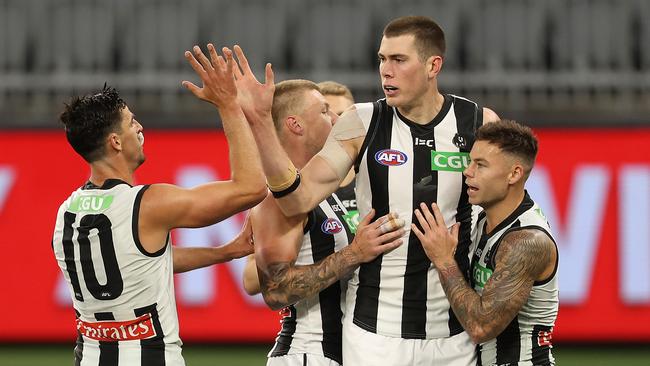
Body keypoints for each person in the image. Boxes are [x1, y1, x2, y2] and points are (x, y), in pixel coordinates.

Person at [233, 15, 499, 365]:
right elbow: (297, 197)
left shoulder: (479, 123)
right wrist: (260, 124)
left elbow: (505, 206)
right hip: (373, 333)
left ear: (434, 65)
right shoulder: (361, 121)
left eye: (398, 60)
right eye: (381, 59)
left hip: (452, 334)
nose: (385, 70)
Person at [51, 44, 266, 365]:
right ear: (116, 142)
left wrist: (225, 252)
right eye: (131, 122)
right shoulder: (147, 203)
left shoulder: (67, 210)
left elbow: (138, 260)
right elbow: (251, 188)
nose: (140, 128)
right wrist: (228, 104)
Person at [241, 79, 404, 366]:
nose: (337, 119)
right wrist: (354, 253)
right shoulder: (278, 201)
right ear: (296, 124)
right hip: (309, 352)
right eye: (325, 110)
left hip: (339, 353)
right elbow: (275, 290)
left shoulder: (321, 194)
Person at [412, 120, 558, 365]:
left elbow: (481, 327)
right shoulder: (481, 221)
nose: (467, 171)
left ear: (514, 174)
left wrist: (444, 260)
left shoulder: (526, 241)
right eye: (470, 162)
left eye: (480, 165)